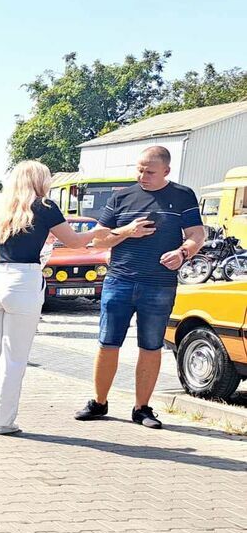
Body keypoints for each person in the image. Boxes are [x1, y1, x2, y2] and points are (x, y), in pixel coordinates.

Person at [0, 161, 122, 435]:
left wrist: (3, 254)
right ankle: (3, 421)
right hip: (24, 280)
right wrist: (95, 233)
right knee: (14, 357)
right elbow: (74, 242)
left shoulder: (2, 206)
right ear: (40, 181)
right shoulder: (45, 206)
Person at [73, 145, 205, 428]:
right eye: (140, 170)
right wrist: (127, 231)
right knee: (108, 343)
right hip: (119, 281)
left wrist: (183, 252)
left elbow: (197, 234)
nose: (143, 176)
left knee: (151, 346)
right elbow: (99, 239)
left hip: (159, 285)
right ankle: (99, 402)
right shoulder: (121, 197)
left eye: (150, 172)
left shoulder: (183, 195)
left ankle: (142, 408)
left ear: (167, 171)